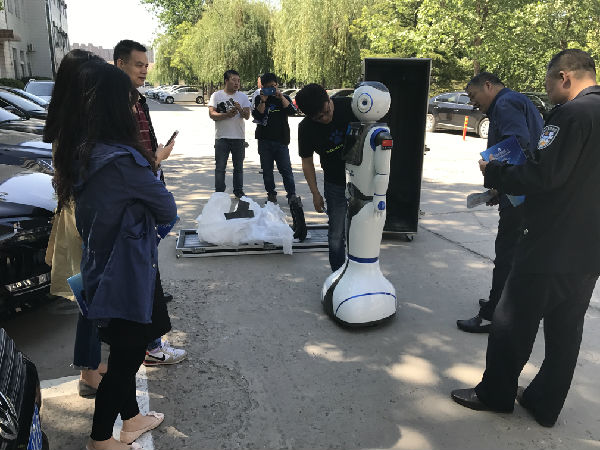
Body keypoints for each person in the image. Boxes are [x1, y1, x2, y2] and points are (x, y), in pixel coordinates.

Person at [451, 49, 600, 428]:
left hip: (550, 244)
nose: (546, 90)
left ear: (565, 77)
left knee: (509, 322)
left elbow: (541, 175)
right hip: (589, 250)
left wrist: (494, 172)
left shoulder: (571, 115)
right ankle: (545, 403)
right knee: (566, 332)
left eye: (548, 82)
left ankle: (495, 394)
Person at [53, 61, 175, 450]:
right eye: (129, 102)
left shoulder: (83, 152)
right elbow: (167, 209)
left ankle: (133, 418)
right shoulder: (122, 161)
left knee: (122, 348)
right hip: (127, 273)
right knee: (127, 358)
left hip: (100, 267)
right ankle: (101, 439)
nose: (134, 108)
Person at [114, 39, 186, 365]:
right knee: (141, 270)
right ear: (120, 64)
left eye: (146, 64)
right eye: (138, 64)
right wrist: (155, 158)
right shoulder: (114, 105)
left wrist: (156, 160)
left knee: (146, 268)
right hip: (134, 195)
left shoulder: (137, 99)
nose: (144, 70)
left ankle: (150, 342)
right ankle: (150, 346)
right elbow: (126, 159)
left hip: (147, 183)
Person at [456, 72, 543, 333]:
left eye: (473, 96)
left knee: (507, 252)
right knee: (515, 252)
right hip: (522, 189)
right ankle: (505, 302)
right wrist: (499, 188)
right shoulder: (514, 101)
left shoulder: (505, 103)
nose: (472, 102)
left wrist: (500, 176)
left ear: (488, 86)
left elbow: (518, 144)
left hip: (520, 193)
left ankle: (494, 314)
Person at [44, 49, 108, 397]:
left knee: (92, 292)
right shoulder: (77, 126)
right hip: (85, 217)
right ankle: (88, 371)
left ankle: (91, 364)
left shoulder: (67, 120)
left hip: (78, 213)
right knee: (91, 295)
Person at [295, 84, 357, 271]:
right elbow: (307, 162)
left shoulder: (351, 107)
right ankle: (338, 274)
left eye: (327, 111)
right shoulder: (305, 128)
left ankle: (359, 271)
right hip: (335, 182)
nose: (325, 118)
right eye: (318, 117)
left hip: (362, 179)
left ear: (328, 99)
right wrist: (315, 193)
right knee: (336, 232)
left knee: (363, 229)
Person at [251, 72, 298, 204]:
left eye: (273, 86)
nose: (270, 89)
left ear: (277, 85)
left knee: (286, 170)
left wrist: (281, 97)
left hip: (281, 140)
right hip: (264, 140)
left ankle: (291, 195)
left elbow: (292, 111)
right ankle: (271, 194)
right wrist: (263, 101)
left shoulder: (285, 98)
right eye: (267, 87)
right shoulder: (259, 98)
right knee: (267, 171)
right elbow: (257, 115)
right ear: (262, 87)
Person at [208, 69, 251, 198]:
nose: (237, 83)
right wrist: (227, 115)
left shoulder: (243, 97)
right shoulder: (216, 96)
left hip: (238, 138)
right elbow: (212, 114)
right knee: (220, 168)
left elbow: (247, 116)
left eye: (238, 81)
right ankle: (219, 192)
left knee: (238, 168)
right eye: (233, 80)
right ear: (226, 81)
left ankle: (238, 191)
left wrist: (239, 109)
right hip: (221, 137)